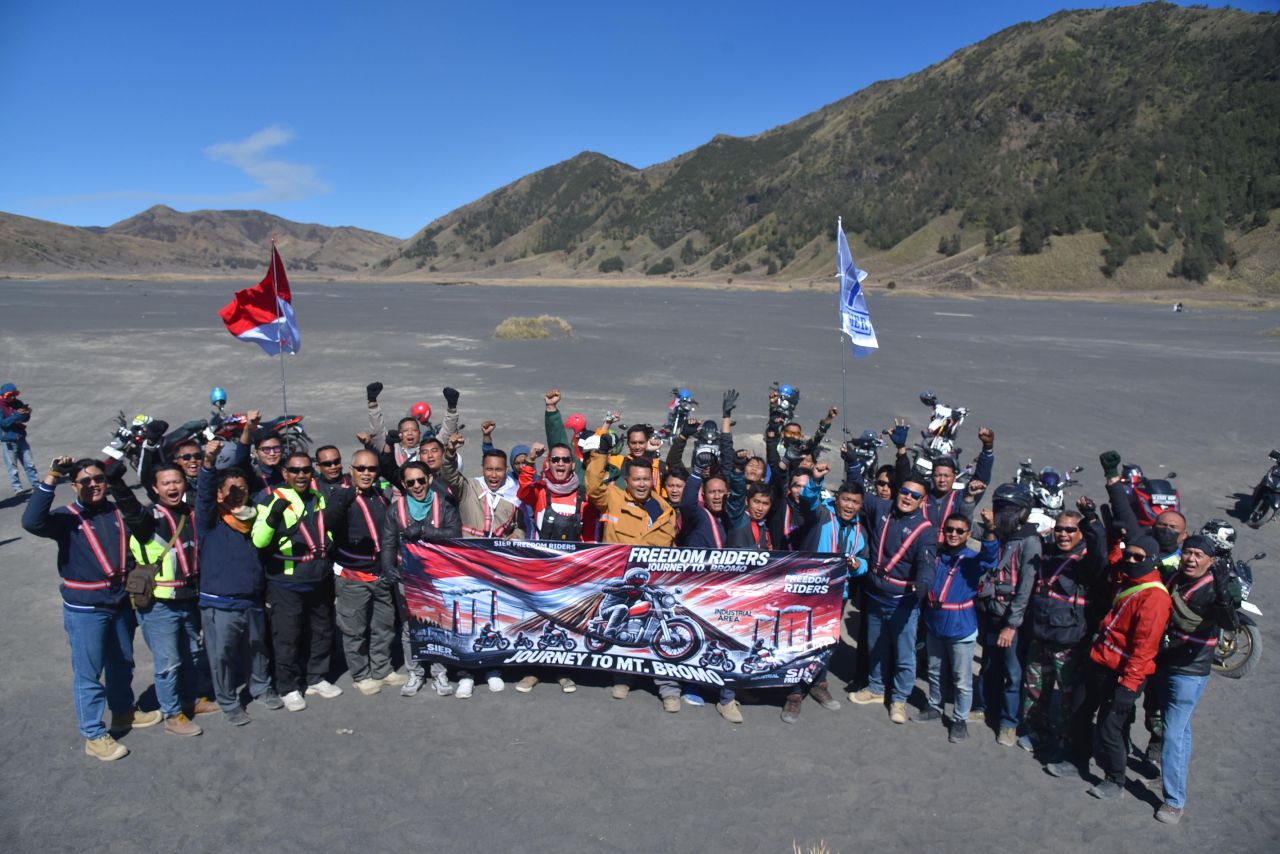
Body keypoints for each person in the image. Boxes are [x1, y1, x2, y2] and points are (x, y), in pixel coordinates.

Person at [22, 455, 162, 760]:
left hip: (120, 602)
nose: (93, 485)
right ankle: (93, 734)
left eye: (99, 479)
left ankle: (123, 711)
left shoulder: (116, 512)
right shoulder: (67, 518)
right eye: (85, 481)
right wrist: (51, 477)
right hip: (86, 608)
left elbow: (144, 522)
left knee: (122, 662)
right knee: (88, 673)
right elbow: (31, 522)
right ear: (74, 486)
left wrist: (121, 483)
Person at [108, 460, 218, 737]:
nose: (172, 487)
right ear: (155, 488)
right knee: (168, 662)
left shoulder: (189, 512)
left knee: (192, 654)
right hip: (159, 603)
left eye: (177, 481)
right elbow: (130, 510)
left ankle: (189, 699)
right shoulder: (148, 519)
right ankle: (172, 714)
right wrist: (118, 485)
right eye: (166, 483)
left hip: (189, 597)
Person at [1076, 533, 1172, 800]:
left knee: (1110, 727)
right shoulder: (1129, 578)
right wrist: (1107, 530)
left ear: (1152, 560)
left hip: (1122, 674)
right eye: (1129, 554)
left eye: (1137, 557)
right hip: (1101, 662)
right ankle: (1078, 759)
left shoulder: (1154, 598)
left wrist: (1128, 688)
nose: (1130, 560)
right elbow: (1116, 555)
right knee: (1080, 710)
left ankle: (1115, 779)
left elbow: (1144, 649)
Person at [585, 435, 678, 709]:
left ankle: (668, 687)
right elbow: (592, 486)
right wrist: (601, 454)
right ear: (627, 480)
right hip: (620, 586)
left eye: (646, 479)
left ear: (652, 480)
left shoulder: (664, 510)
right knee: (623, 622)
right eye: (636, 479)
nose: (641, 484)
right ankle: (623, 677)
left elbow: (672, 550)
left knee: (664, 622)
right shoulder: (612, 497)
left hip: (653, 583)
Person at [1150, 534, 1237, 823]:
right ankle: (1173, 781)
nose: (1191, 559)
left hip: (1190, 670)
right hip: (1165, 662)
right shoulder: (1174, 577)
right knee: (1180, 728)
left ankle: (1174, 801)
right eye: (1188, 553)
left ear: (1212, 561)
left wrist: (1224, 593)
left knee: (1173, 732)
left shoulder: (1212, 589)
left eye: (1200, 555)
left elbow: (1228, 623)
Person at [194, 440, 279, 725]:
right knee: (222, 656)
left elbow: (247, 472)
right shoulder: (210, 521)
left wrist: (247, 436)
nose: (237, 494)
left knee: (258, 649)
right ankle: (229, 701)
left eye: (241, 489)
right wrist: (208, 463)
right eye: (230, 490)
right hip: (219, 604)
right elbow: (204, 496)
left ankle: (262, 688)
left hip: (251, 598)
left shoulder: (253, 517)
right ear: (219, 494)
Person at [251, 451, 340, 711]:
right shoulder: (271, 500)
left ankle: (317, 677)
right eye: (295, 470)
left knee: (322, 630)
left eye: (305, 470)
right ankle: (288, 687)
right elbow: (259, 541)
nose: (301, 475)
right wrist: (272, 518)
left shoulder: (318, 498)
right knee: (287, 636)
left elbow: (327, 531)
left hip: (319, 577)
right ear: (285, 473)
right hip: (286, 582)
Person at [1020, 503, 1107, 767]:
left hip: (1069, 642)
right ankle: (1036, 730)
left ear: (1081, 533)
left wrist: (1092, 520)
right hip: (1040, 635)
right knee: (1035, 690)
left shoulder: (1086, 563)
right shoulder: (1045, 554)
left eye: (1071, 530)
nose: (1064, 535)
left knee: (1068, 698)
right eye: (1059, 529)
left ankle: (1064, 741)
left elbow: (1101, 550)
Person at [848, 474, 936, 724]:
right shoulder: (883, 508)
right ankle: (876, 688)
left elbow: (927, 563)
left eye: (915, 495)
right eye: (905, 491)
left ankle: (899, 698)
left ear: (923, 501)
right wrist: (853, 463)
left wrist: (923, 583)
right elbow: (857, 495)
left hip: (902, 602)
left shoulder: (925, 531)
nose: (908, 497)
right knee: (875, 646)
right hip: (875, 595)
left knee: (904, 654)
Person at [790, 463, 868, 722]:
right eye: (845, 499)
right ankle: (794, 691)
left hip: (838, 595)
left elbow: (864, 562)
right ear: (837, 499)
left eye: (855, 502)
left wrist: (858, 566)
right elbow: (808, 501)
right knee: (801, 639)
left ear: (860, 505)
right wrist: (815, 480)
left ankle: (819, 683)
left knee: (827, 641)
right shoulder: (823, 515)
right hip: (809, 590)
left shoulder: (860, 531)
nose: (849, 505)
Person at [380, 460, 461, 697]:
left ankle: (439, 673)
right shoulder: (396, 509)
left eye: (420, 480)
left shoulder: (444, 504)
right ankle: (414, 671)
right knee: (409, 627)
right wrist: (387, 566)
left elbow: (455, 535)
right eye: (411, 482)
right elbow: (387, 542)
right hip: (408, 577)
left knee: (437, 625)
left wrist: (426, 532)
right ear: (403, 484)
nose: (417, 486)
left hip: (438, 576)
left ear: (429, 479)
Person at [918, 511, 999, 742]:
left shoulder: (972, 560)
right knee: (934, 670)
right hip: (934, 624)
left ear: (968, 534)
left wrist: (991, 531)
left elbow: (991, 557)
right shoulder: (935, 555)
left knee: (961, 680)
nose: (953, 534)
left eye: (959, 531)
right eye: (949, 529)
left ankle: (960, 719)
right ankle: (934, 705)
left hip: (960, 628)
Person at [329, 449, 402, 696]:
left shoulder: (380, 496)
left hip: (380, 575)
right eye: (361, 468)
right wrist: (346, 496)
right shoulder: (341, 497)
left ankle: (382, 668)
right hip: (353, 579)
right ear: (351, 470)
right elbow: (330, 521)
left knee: (383, 627)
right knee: (354, 631)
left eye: (371, 469)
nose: (366, 473)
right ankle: (361, 675)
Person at [973, 482, 1040, 745]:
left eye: (1009, 508)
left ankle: (1008, 722)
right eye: (999, 505)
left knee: (1013, 672)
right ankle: (983, 706)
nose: (1002, 512)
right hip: (990, 612)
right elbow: (965, 521)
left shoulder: (1030, 542)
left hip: (1012, 619)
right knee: (989, 663)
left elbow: (1025, 588)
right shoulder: (998, 533)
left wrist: (1011, 625)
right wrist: (971, 497)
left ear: (1023, 511)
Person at [1, 382, 40, 495]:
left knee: (29, 463)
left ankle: (36, 485)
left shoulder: (17, 403)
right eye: (9, 395)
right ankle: (18, 489)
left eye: (14, 395)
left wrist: (26, 414)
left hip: (21, 437)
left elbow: (24, 419)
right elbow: (3, 423)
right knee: (12, 466)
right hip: (8, 439)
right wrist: (17, 415)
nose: (12, 398)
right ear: (4, 395)